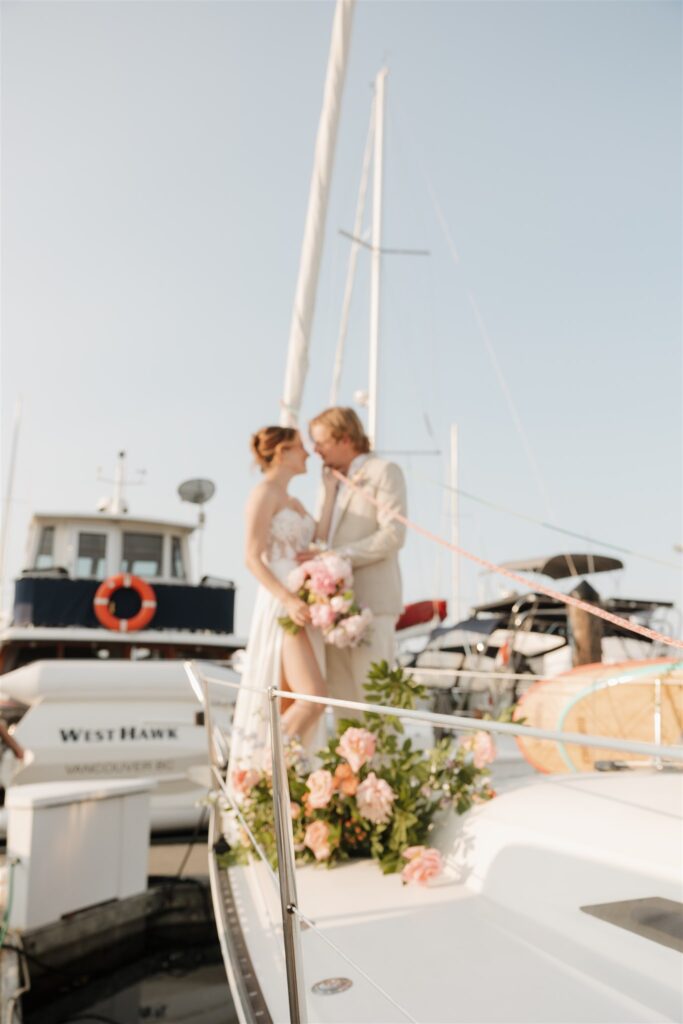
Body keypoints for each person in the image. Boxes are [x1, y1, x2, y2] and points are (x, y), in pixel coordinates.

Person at [227, 426, 337, 778]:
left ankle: (285, 785)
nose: (308, 453)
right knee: (313, 697)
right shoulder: (264, 494)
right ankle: (258, 775)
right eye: (301, 448)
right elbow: (252, 557)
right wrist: (288, 599)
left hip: (303, 601)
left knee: (291, 700)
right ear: (282, 453)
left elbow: (318, 538)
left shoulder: (294, 501)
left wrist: (331, 490)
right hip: (282, 604)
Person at [306, 407, 407, 708]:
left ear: (345, 439)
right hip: (333, 611)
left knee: (375, 701)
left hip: (372, 604)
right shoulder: (329, 483)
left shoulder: (383, 472)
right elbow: (321, 538)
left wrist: (338, 558)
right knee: (342, 702)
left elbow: (393, 535)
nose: (315, 450)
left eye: (321, 442)